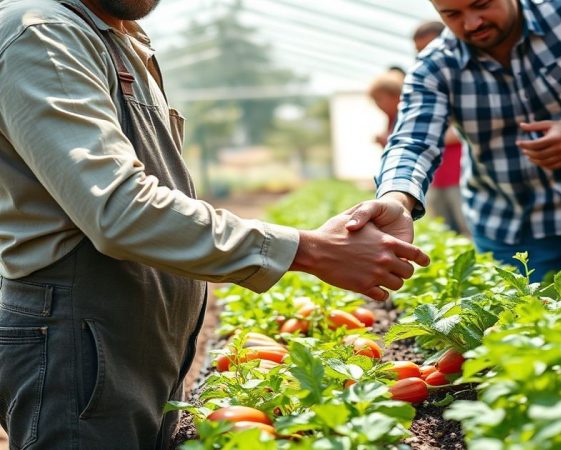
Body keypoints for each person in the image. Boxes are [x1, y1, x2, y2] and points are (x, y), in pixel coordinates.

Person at [0, 0, 429, 447]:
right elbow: (119, 210)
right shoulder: (42, 32)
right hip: (80, 339)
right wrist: (311, 249)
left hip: (130, 339)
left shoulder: (121, 37)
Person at [347, 0, 561, 297]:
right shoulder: (435, 68)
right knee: (534, 333)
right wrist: (397, 200)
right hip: (513, 227)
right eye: (452, 14)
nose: (472, 23)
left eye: (482, 5)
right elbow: (412, 139)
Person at [412, 20, 471, 237]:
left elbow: (464, 129)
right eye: (419, 50)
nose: (426, 55)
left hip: (461, 174)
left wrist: (434, 136)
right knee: (446, 234)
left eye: (429, 46)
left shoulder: (464, 77)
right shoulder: (426, 82)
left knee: (468, 232)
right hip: (437, 176)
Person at [368, 70, 406, 148]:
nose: (377, 105)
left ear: (395, 96)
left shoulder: (405, 117)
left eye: (378, 99)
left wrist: (386, 140)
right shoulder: (391, 118)